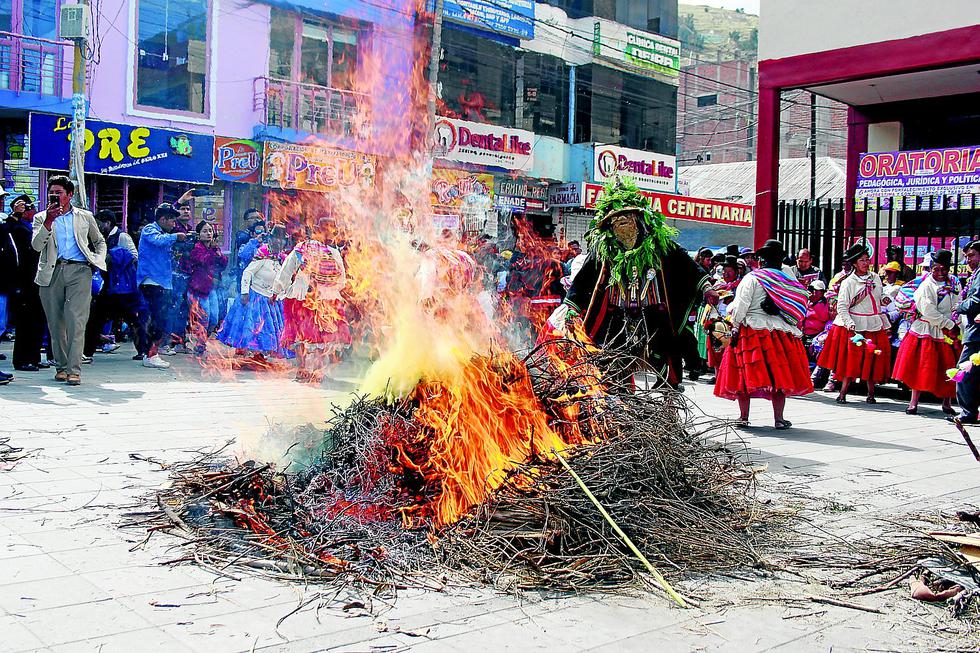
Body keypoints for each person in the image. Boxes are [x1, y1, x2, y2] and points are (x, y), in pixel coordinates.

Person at [557, 178, 715, 389]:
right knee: (611, 364)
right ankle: (621, 404)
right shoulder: (604, 252)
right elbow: (583, 280)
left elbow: (687, 266)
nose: (621, 221)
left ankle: (669, 401)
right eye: (615, 219)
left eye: (626, 216)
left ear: (638, 220)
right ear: (610, 227)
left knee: (667, 357)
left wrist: (707, 287)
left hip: (654, 315)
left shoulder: (661, 246)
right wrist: (569, 307)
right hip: (616, 317)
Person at [714, 239, 813, 428]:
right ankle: (779, 419)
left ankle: (743, 417)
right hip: (781, 333)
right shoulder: (789, 280)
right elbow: (801, 302)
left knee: (744, 374)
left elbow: (742, 305)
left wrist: (734, 324)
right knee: (779, 375)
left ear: (762, 260)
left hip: (752, 331)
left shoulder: (753, 278)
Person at [31, 175, 107, 385]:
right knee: (56, 324)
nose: (54, 196)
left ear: (70, 195)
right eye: (51, 192)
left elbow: (99, 241)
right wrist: (48, 220)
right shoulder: (40, 218)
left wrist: (97, 260)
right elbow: (37, 246)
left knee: (76, 321)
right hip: (52, 273)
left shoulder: (84, 216)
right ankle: (61, 367)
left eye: (59, 193)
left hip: (79, 271)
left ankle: (74, 369)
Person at [272, 225, 350, 382]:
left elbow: (286, 270)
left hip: (301, 296)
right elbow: (341, 279)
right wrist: (333, 290)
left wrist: (277, 290)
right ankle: (318, 371)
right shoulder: (333, 252)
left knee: (300, 334)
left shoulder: (302, 248)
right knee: (323, 335)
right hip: (327, 299)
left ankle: (302, 370)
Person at [817, 243, 892, 404]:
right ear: (855, 263)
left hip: (873, 323)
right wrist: (849, 323)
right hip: (853, 325)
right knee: (850, 361)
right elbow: (842, 305)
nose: (866, 263)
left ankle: (871, 393)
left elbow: (880, 296)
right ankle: (843, 392)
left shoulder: (876, 278)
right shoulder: (849, 282)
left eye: (867, 259)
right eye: (862, 260)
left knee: (872, 359)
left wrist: (884, 299)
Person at [892, 249, 960, 416]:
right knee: (921, 366)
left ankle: (947, 401)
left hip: (947, 331)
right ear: (931, 268)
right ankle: (913, 402)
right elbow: (927, 310)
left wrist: (955, 323)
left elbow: (958, 304)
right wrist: (948, 323)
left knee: (949, 366)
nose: (940, 273)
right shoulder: (926, 285)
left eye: (944, 269)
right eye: (936, 269)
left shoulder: (954, 284)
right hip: (927, 329)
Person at [217, 238, 290, 361]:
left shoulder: (282, 260)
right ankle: (247, 350)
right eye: (275, 241)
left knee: (268, 328)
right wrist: (245, 293)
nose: (278, 243)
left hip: (272, 299)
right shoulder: (262, 257)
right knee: (252, 326)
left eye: (281, 241)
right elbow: (247, 273)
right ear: (270, 242)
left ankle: (260, 354)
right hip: (256, 298)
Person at [138, 203, 189, 370]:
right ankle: (151, 354)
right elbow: (157, 241)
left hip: (164, 281)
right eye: (172, 221)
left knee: (160, 319)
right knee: (156, 319)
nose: (174, 224)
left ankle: (150, 353)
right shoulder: (150, 230)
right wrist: (176, 237)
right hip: (152, 281)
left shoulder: (164, 233)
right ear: (163, 219)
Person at [4, 195, 47, 371]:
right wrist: (15, 215)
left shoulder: (32, 228)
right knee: (25, 322)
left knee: (37, 320)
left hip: (36, 279)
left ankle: (34, 357)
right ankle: (22, 359)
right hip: (23, 280)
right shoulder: (15, 227)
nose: (32, 212)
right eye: (28, 209)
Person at [186, 221, 228, 354]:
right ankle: (200, 344)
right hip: (198, 289)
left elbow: (223, 265)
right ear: (199, 234)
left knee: (214, 319)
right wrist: (214, 252)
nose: (208, 233)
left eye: (210, 231)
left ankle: (202, 342)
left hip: (211, 289)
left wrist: (217, 252)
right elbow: (204, 261)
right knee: (204, 318)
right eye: (205, 231)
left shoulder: (214, 248)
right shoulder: (196, 248)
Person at [952, 241, 980, 425]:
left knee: (964, 371)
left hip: (977, 333)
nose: (967, 260)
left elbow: (976, 300)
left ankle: (968, 412)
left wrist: (959, 306)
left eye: (971, 255)